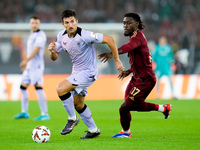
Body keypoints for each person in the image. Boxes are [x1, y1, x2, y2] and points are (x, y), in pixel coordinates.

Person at [48, 9, 124, 139]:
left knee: (60, 88)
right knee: (78, 104)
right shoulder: (61, 35)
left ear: (76, 21)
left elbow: (110, 39)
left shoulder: (85, 35)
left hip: (88, 73)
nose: (70, 25)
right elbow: (54, 57)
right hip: (77, 72)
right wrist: (52, 51)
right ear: (63, 24)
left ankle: (72, 119)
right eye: (67, 22)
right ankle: (93, 130)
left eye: (72, 21)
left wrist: (117, 60)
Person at [98, 13, 172, 138]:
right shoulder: (135, 37)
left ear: (137, 24)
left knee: (124, 107)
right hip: (136, 78)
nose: (125, 26)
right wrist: (130, 70)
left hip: (145, 80)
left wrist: (113, 54)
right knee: (127, 106)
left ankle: (126, 133)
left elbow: (128, 47)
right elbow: (144, 59)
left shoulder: (137, 36)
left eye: (129, 23)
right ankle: (163, 109)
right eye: (124, 23)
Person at [14, 16, 50, 121]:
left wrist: (26, 60)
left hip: (36, 66)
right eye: (32, 23)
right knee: (23, 87)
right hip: (29, 66)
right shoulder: (31, 35)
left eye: (36, 23)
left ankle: (45, 113)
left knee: (38, 87)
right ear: (30, 24)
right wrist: (26, 62)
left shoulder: (41, 35)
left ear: (39, 24)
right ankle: (24, 112)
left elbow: (36, 49)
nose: (34, 25)